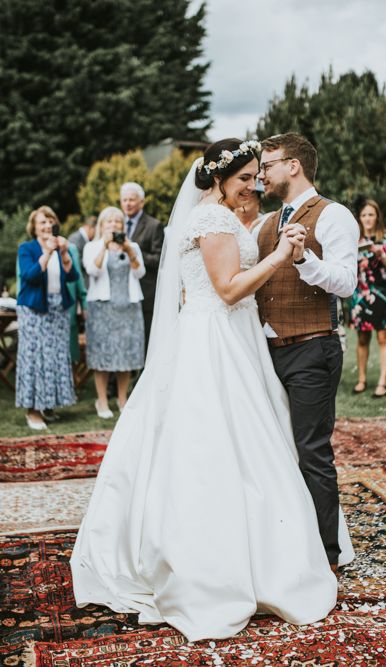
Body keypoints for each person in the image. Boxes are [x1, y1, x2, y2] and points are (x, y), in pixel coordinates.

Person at [71, 139, 353, 642]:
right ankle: (222, 561)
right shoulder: (214, 220)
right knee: (220, 441)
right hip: (219, 335)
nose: (253, 185)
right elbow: (227, 288)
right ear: (219, 178)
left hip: (231, 334)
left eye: (255, 176)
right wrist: (283, 255)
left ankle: (286, 542)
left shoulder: (217, 216)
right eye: (244, 177)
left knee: (258, 438)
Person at [255, 132, 358, 571]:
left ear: (293, 165)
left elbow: (346, 282)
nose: (262, 173)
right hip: (263, 351)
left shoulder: (335, 216)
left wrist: (302, 260)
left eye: (268, 164)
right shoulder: (266, 222)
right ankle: (282, 545)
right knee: (270, 449)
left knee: (311, 451)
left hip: (313, 348)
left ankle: (326, 558)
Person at [16, 206, 79, 429]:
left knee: (55, 357)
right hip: (33, 309)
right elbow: (30, 276)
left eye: (49, 221)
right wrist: (49, 252)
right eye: (41, 222)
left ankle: (49, 406)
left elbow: (73, 276)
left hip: (57, 308)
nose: (46, 225)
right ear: (33, 227)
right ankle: (32, 411)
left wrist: (63, 253)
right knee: (35, 358)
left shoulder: (61, 246)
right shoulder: (27, 248)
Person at [83, 206, 146, 418]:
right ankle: (101, 400)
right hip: (102, 307)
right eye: (109, 222)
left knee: (125, 355)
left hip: (128, 306)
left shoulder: (132, 246)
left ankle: (122, 398)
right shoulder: (92, 246)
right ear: (102, 225)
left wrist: (129, 251)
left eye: (117, 222)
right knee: (102, 354)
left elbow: (140, 272)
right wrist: (104, 246)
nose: (113, 225)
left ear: (122, 226)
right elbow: (92, 270)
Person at [350, 199, 386, 398]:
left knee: (383, 337)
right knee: (362, 338)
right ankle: (361, 380)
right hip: (360, 293)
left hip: (383, 293)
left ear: (377, 216)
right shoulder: (354, 238)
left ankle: (383, 382)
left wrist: (383, 256)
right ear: (359, 218)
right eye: (364, 215)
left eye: (371, 214)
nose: (368, 218)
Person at [120, 182, 164, 351]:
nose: (128, 204)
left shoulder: (154, 226)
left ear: (141, 202)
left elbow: (159, 259)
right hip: (121, 294)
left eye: (132, 199)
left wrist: (134, 252)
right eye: (124, 200)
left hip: (145, 294)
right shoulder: (116, 225)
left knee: (145, 342)